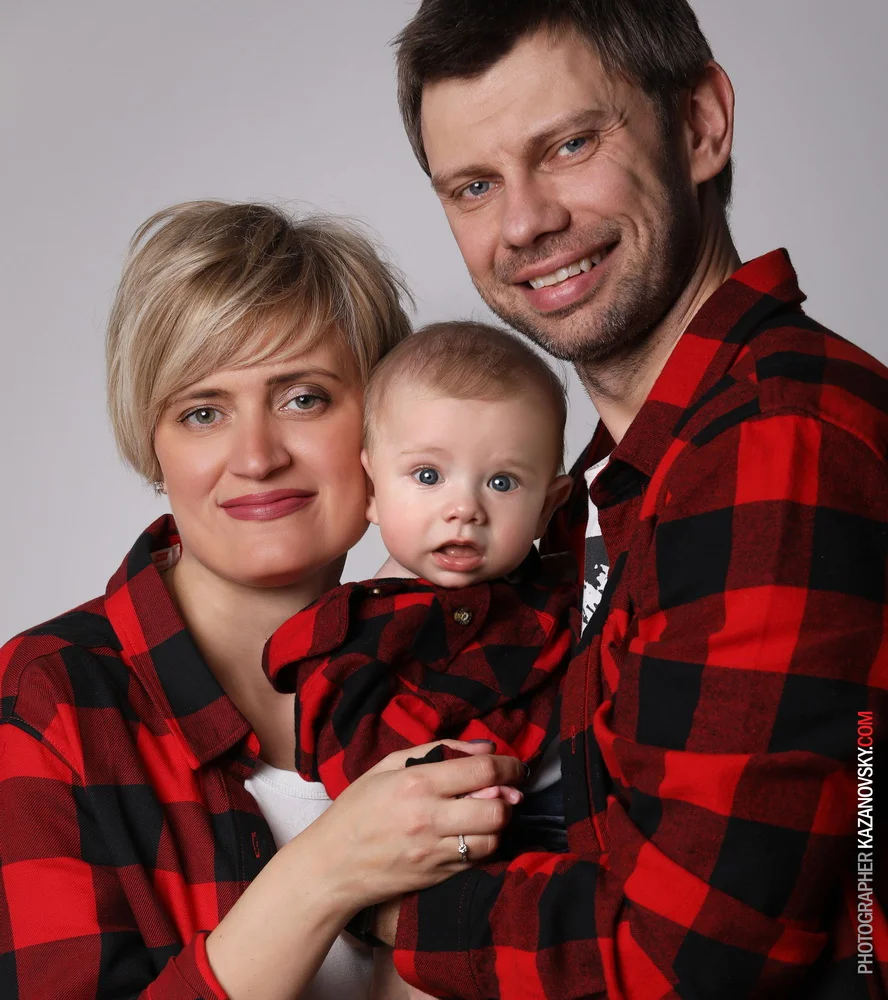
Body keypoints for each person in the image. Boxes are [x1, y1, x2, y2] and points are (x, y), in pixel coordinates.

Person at [369, 2, 888, 997]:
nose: (525, 223)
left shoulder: (774, 443)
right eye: (474, 185)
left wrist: (372, 896)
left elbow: (684, 966)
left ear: (700, 125)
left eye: (569, 145)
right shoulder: (615, 482)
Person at [0, 200, 528, 1000]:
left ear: (385, 426)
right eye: (202, 412)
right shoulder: (50, 700)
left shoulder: (483, 659)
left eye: (303, 398)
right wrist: (328, 869)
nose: (256, 456)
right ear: (154, 445)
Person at [265, 322, 574, 816]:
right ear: (371, 490)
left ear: (546, 508)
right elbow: (353, 766)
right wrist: (453, 775)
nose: (465, 509)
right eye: (428, 475)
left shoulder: (564, 595)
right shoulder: (357, 633)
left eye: (502, 482)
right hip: (443, 834)